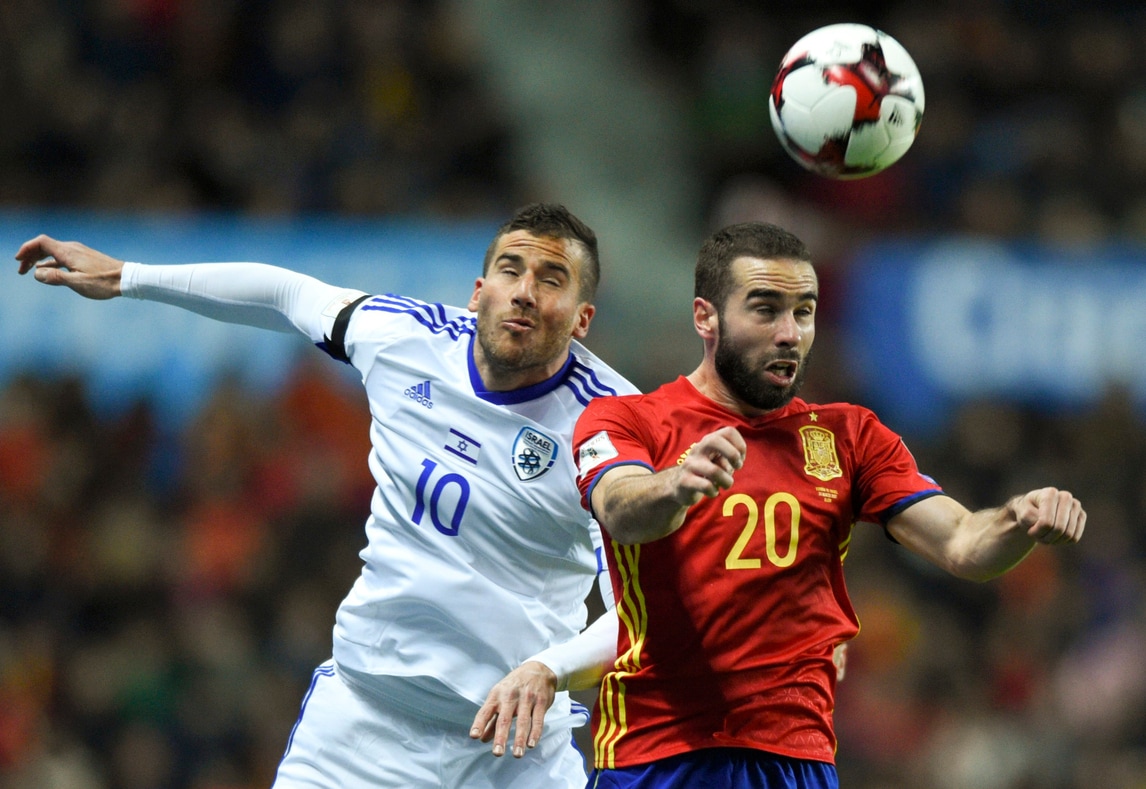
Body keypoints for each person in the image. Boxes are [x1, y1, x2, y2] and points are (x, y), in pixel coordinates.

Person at [14, 203, 638, 789]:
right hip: (362, 724)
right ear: (479, 292)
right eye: (510, 269)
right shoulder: (406, 338)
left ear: (582, 318)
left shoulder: (616, 427)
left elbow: (641, 614)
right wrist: (128, 276)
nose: (525, 291)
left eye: (552, 279)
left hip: (514, 752)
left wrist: (551, 669)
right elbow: (285, 293)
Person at [569, 221, 1086, 789]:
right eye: (765, 310)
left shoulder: (850, 436)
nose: (790, 333)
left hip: (796, 760)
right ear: (705, 317)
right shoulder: (628, 419)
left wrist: (1015, 518)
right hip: (657, 753)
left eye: (805, 312)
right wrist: (677, 484)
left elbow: (964, 545)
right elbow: (620, 509)